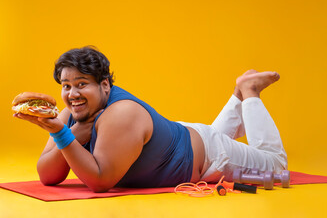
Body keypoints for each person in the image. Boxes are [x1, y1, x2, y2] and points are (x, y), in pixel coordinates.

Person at [14, 46, 287, 192]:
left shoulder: (121, 114)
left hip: (212, 160)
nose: (72, 94)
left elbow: (99, 182)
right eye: (65, 86)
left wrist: (64, 135)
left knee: (277, 172)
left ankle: (249, 91)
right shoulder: (73, 112)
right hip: (186, 139)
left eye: (82, 84)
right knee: (216, 137)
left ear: (105, 85)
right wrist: (66, 133)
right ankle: (238, 92)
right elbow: (47, 176)